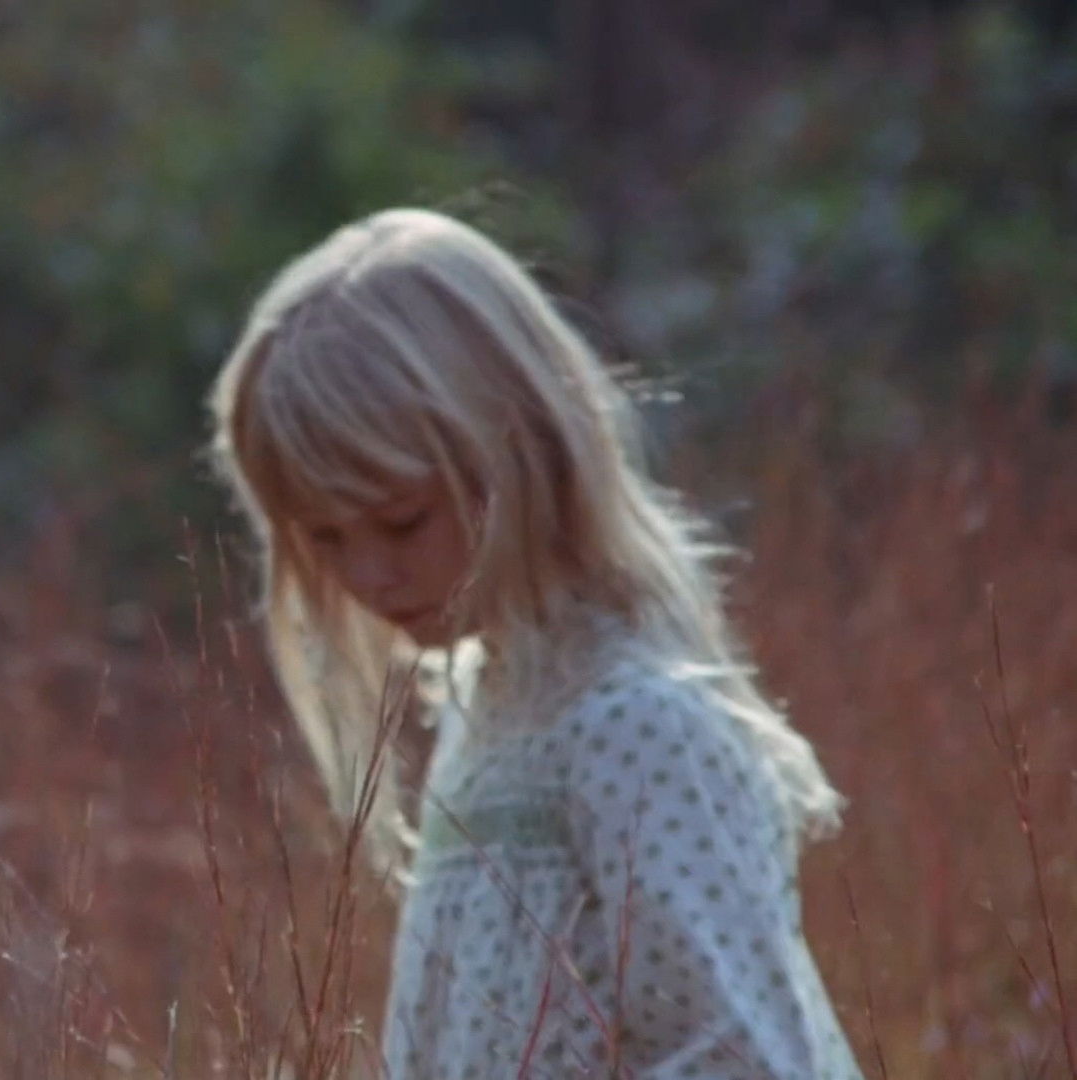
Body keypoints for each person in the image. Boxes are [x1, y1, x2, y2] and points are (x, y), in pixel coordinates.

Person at [205, 208, 863, 1077]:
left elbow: (747, 1060)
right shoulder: (486, 716)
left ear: (522, 453)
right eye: (325, 538)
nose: (369, 575)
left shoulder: (638, 728)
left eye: (401, 522)